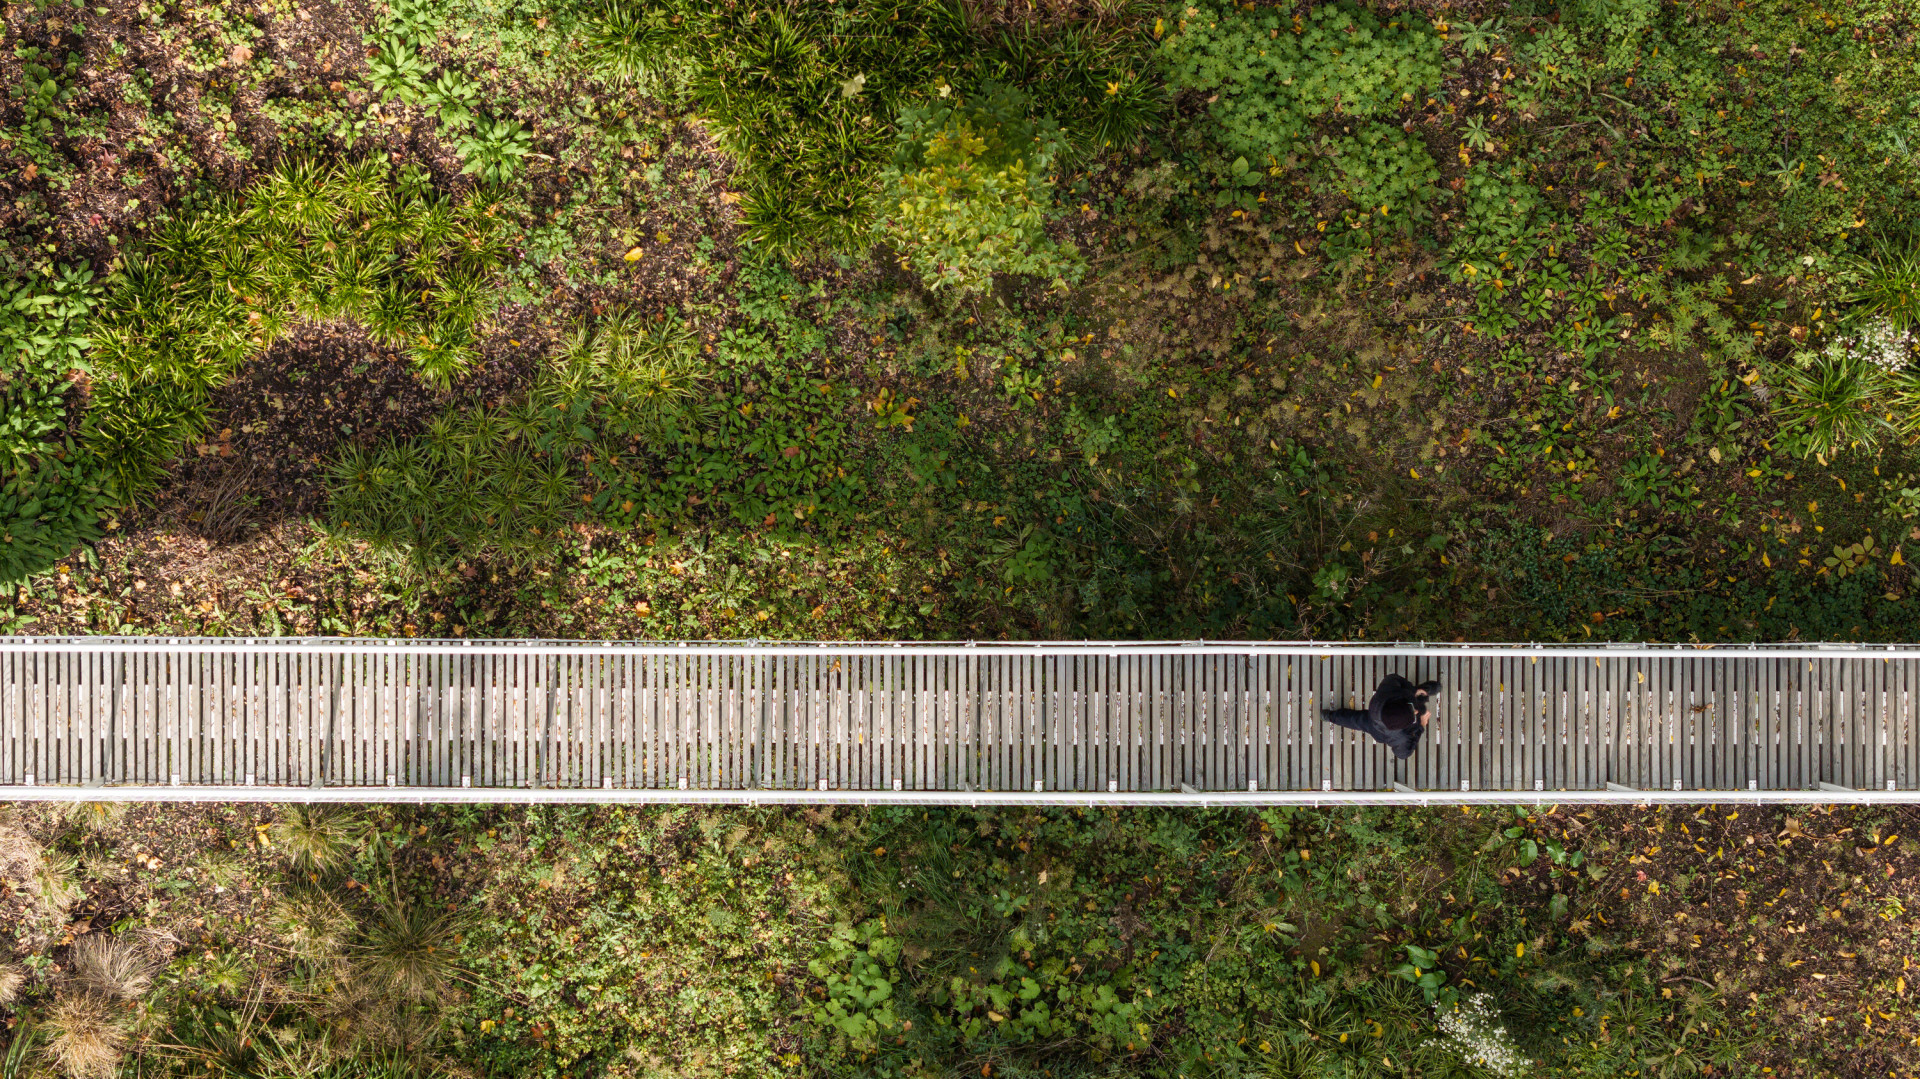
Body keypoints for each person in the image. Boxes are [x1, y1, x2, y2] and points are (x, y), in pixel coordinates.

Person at [1321, 674, 1441, 760]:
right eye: (1413, 714)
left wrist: (1411, 692)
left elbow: (1392, 678)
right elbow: (1403, 754)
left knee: (1354, 720)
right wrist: (1420, 726)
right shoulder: (1400, 738)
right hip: (1379, 729)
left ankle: (1329, 716)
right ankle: (1424, 691)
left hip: (1374, 716)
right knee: (1354, 720)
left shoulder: (1386, 693)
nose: (1416, 711)